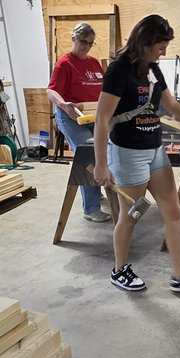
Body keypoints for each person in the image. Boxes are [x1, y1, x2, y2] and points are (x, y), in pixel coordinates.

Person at [93, 14, 180, 296]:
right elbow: (101, 118)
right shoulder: (119, 70)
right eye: (161, 47)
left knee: (173, 212)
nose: (164, 52)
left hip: (155, 150)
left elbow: (170, 104)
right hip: (128, 152)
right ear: (145, 42)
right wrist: (101, 164)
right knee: (132, 214)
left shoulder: (152, 69)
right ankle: (119, 269)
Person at [46, 22, 110, 223]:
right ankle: (90, 208)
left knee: (103, 151)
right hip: (71, 117)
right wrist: (63, 104)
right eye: (83, 42)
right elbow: (51, 90)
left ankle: (93, 190)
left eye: (90, 43)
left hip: (93, 115)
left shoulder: (94, 62)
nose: (86, 47)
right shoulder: (65, 63)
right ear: (73, 39)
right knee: (88, 154)